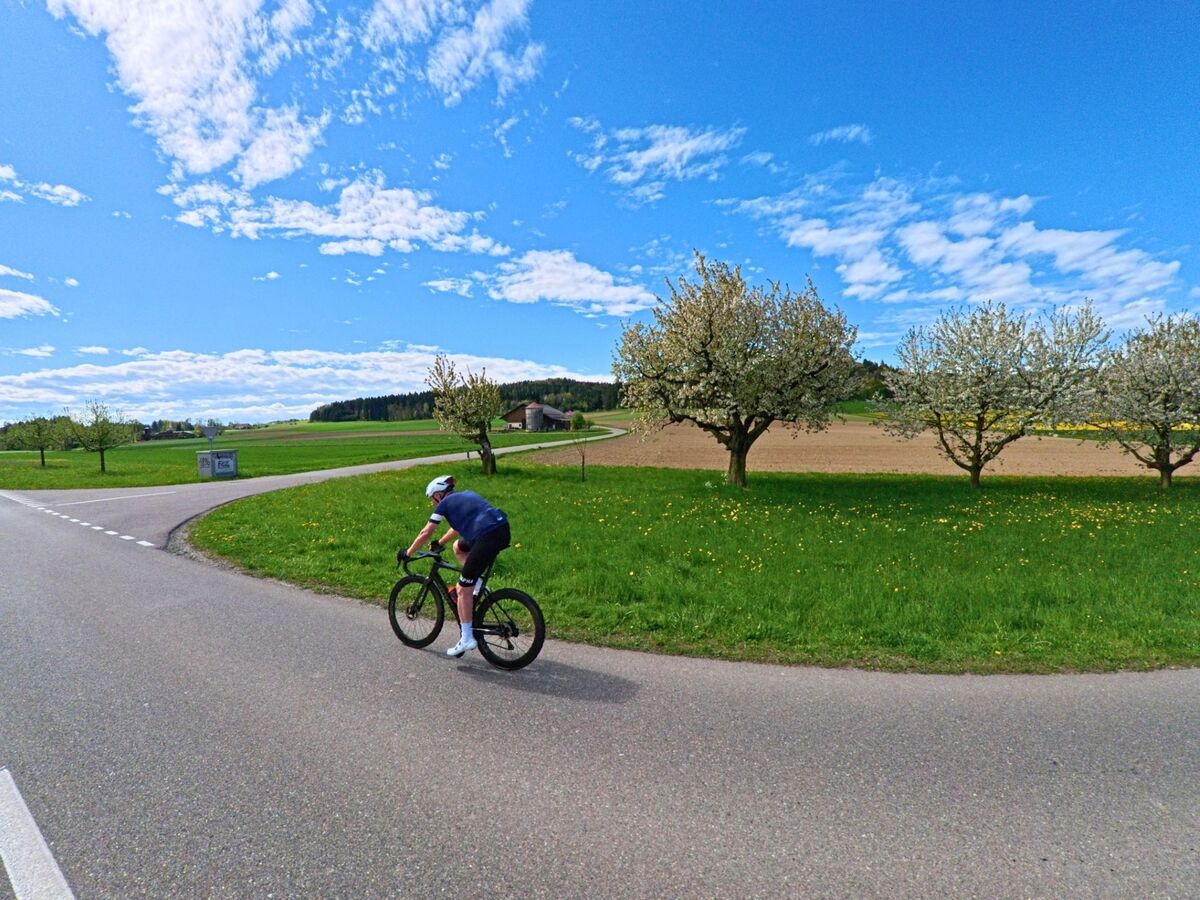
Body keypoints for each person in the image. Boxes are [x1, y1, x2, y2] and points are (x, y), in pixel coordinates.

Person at [401, 475, 511, 657]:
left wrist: (408, 552)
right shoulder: (465, 495)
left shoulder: (444, 504)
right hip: (501, 530)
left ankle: (467, 638)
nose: (432, 504)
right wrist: (441, 542)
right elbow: (459, 527)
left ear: (438, 495)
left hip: (487, 537)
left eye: (432, 499)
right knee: (458, 547)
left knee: (462, 589)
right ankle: (477, 584)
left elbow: (426, 531)